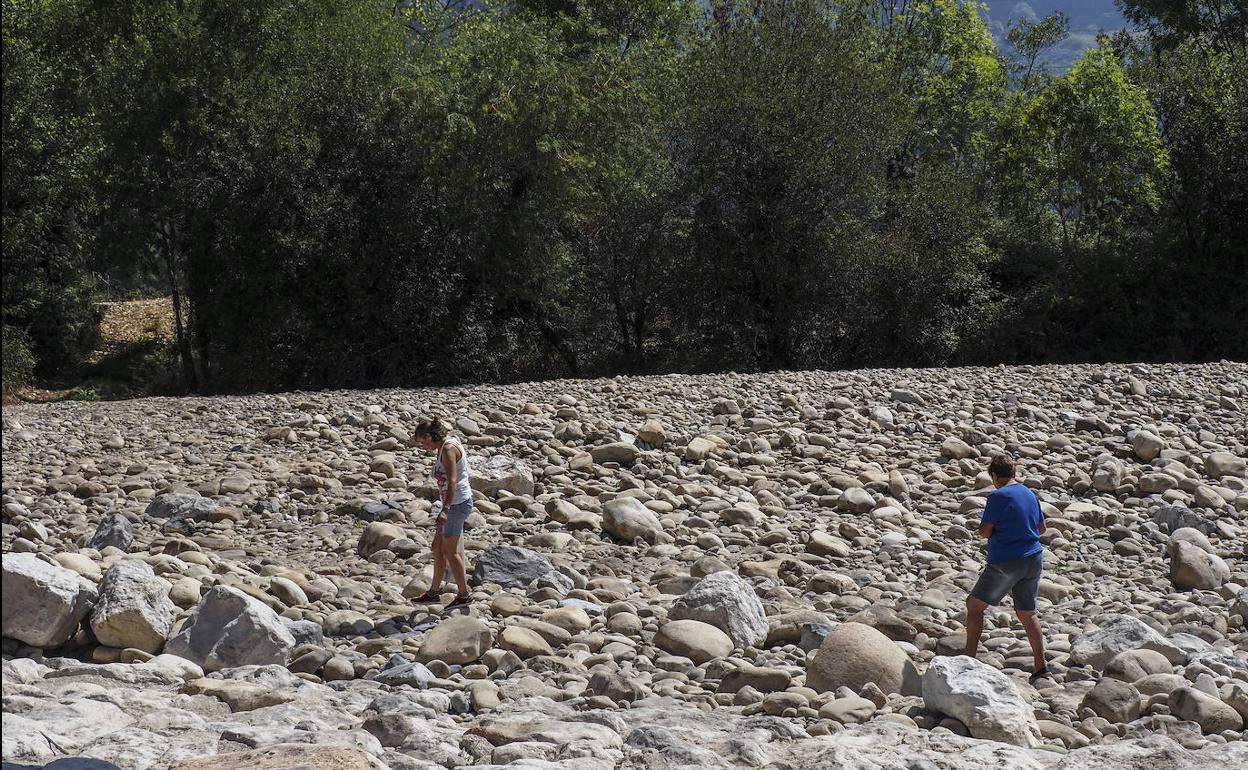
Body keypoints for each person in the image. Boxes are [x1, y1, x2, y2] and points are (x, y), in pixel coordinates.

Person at [964, 453, 1050, 681]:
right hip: (1034, 558)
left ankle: (968, 660)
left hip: (1007, 561)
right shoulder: (1029, 493)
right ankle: (1041, 667)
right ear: (1013, 473)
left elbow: (984, 531)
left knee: (974, 605)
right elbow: (1042, 529)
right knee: (1026, 612)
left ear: (994, 475)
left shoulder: (998, 496)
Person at [411, 418, 473, 609]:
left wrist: (445, 510)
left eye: (423, 441)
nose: (423, 446)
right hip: (450, 503)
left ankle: (464, 595)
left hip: (456, 505)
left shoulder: (447, 449)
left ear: (429, 436)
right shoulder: (444, 446)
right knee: (437, 548)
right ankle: (433, 593)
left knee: (450, 551)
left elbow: (453, 481)